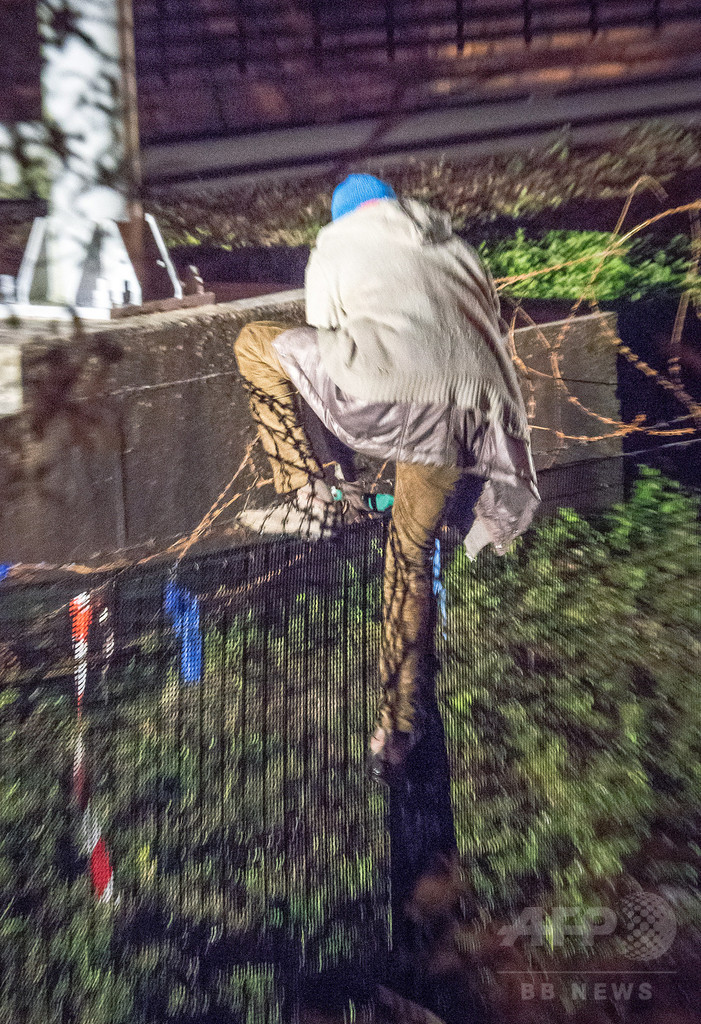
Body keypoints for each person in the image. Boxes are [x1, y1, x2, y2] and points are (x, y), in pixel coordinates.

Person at [234, 173, 540, 785]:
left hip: (395, 392)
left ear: (343, 214)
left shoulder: (335, 245)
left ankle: (305, 494)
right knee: (409, 557)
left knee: (254, 345)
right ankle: (397, 728)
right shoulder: (454, 244)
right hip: (477, 413)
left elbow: (326, 330)